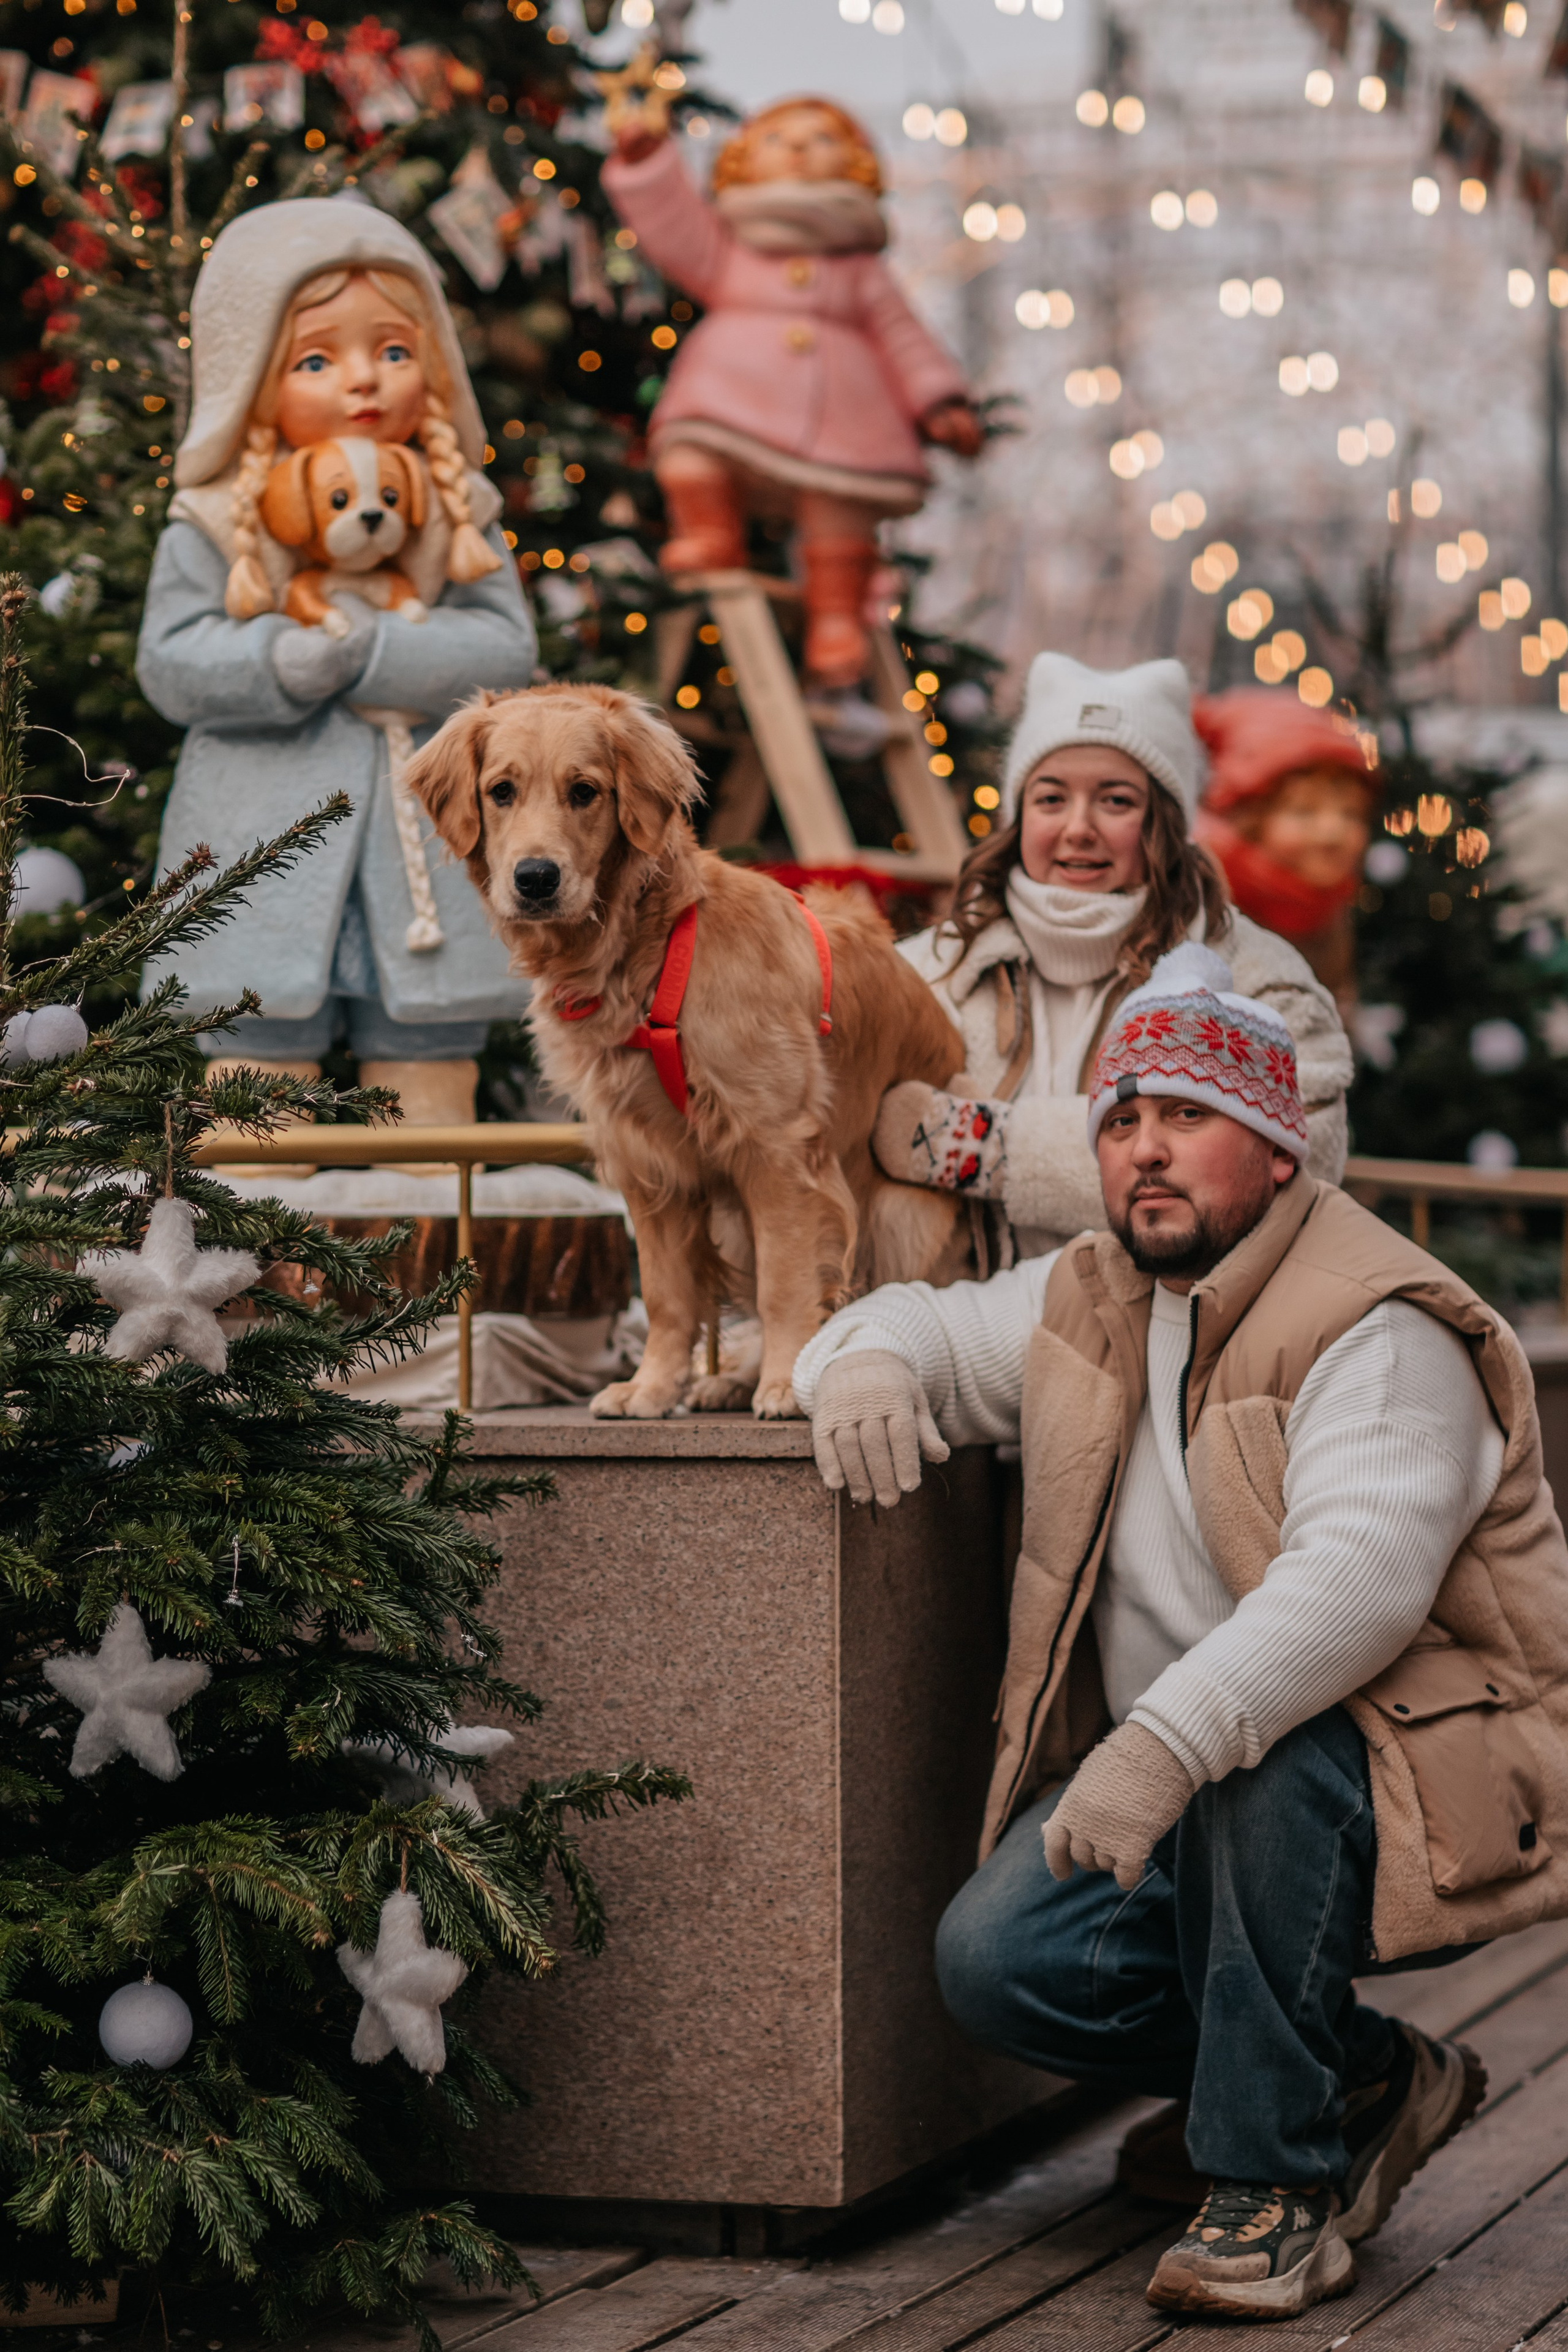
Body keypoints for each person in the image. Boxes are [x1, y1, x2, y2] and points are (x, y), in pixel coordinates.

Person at [794, 941, 1568, 2320]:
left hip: (1399, 1785)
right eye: (1121, 1120)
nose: (1145, 1152)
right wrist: (853, 1361)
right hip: (1183, 1791)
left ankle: (1272, 2184)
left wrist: (1159, 1744)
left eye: (1187, 1119)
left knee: (1265, 1754)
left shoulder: (1376, 1321)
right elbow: (925, 1323)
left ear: (1276, 1150)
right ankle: (1362, 2080)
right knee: (999, 1963)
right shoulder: (1090, 1292)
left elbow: (1356, 1584)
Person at [138, 198, 535, 1128]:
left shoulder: (457, 516)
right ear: (252, 374)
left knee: (431, 1093)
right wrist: (281, 660)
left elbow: (506, 650)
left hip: (424, 857)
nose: (363, 382)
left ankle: (433, 1221)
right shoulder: (207, 526)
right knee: (256, 1084)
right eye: (317, 359)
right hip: (258, 843)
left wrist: (379, 651)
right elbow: (171, 660)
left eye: (393, 350)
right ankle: (256, 1247)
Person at [872, 652, 1352, 1265]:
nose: (1078, 828)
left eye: (1115, 801)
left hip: (1165, 1343)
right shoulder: (930, 971)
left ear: (1164, 822)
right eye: (1049, 799)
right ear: (1018, 818)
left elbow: (1296, 1168)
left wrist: (980, 1146)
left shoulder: (1260, 983)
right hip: (941, 1331)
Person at [601, 94, 981, 690]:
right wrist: (648, 163)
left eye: (822, 140)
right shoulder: (729, 248)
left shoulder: (860, 269)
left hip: (840, 421)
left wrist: (938, 400)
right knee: (689, 453)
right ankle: (709, 532)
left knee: (840, 505)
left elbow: (903, 336)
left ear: (857, 165)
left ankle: (835, 617)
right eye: (778, 141)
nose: (801, 150)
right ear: (743, 162)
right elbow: (673, 230)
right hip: (727, 401)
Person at [1193, 688, 1379, 1011]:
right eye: (1304, 812)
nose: (1333, 832)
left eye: (1351, 813)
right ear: (1250, 822)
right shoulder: (1203, 902)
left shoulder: (1323, 908)